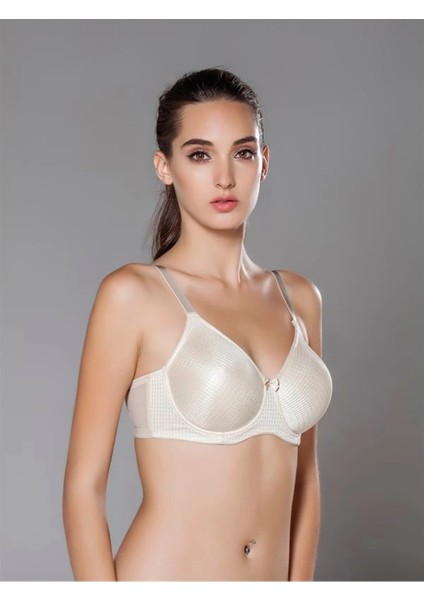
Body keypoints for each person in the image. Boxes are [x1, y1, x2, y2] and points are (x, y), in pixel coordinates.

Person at [62, 67, 333, 582]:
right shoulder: (133, 295)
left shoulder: (300, 299)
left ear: (264, 162)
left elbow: (305, 481)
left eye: (243, 152)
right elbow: (83, 490)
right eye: (200, 155)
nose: (224, 177)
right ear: (165, 167)